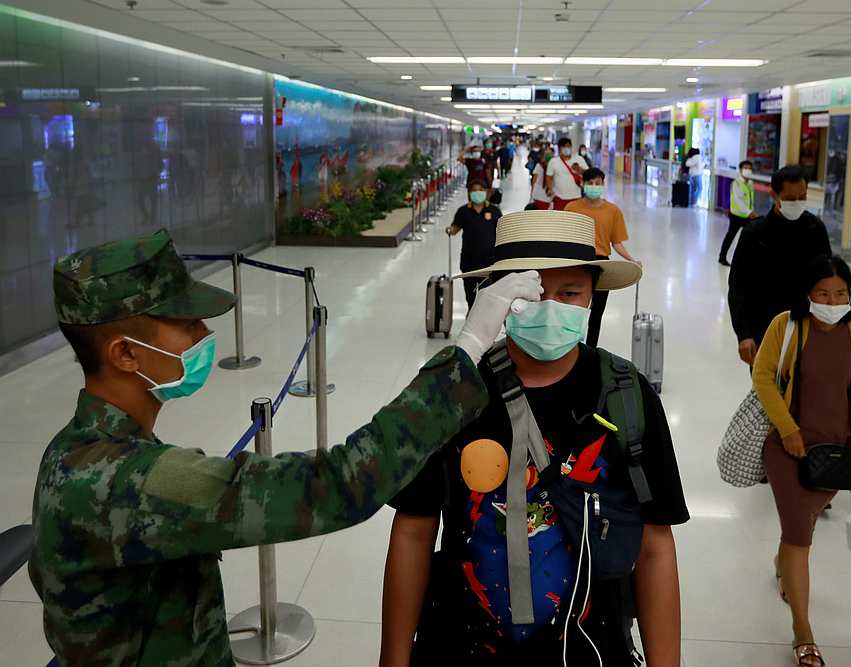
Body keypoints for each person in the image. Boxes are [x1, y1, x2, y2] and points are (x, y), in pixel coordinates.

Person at [30, 229, 543, 666]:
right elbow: (335, 486)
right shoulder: (130, 482)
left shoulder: (76, 447)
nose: (205, 334)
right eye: (186, 325)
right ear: (124, 353)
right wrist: (469, 346)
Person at [380, 211, 688, 667]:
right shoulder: (453, 394)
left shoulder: (626, 396)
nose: (550, 307)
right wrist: (393, 659)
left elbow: (656, 546)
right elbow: (412, 531)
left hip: (589, 647)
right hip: (461, 641)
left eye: (569, 294)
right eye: (531, 292)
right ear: (497, 295)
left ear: (591, 301)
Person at [752, 255, 851, 667]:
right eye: (823, 292)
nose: (832, 299)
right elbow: (763, 376)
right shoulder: (787, 326)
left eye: (840, 293)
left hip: (835, 458)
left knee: (801, 528)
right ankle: (803, 630)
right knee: (799, 536)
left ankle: (782, 565)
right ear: (808, 294)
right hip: (787, 450)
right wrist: (787, 428)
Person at [728, 164, 833, 368]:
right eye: (790, 199)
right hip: (765, 333)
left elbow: (829, 281)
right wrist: (744, 334)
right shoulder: (754, 235)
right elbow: (738, 287)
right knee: (769, 396)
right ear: (774, 195)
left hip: (808, 330)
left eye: (802, 197)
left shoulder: (815, 230)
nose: (797, 203)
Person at [566, 167, 641, 347]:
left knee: (597, 312)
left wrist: (631, 260)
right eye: (590, 183)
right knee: (573, 309)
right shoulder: (571, 208)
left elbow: (616, 243)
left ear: (603, 184)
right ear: (583, 185)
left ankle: (590, 349)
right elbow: (565, 237)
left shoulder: (612, 211)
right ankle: (569, 346)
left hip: (601, 266)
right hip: (577, 263)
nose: (594, 186)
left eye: (597, 183)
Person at [448, 180, 503, 311]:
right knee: (470, 294)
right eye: (474, 190)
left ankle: (483, 318)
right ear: (469, 193)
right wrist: (449, 230)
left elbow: (502, 232)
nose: (477, 193)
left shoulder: (494, 211)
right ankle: (471, 314)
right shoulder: (463, 211)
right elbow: (455, 229)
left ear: (486, 192)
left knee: (487, 294)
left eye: (480, 190)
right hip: (469, 261)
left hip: (489, 261)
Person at [719, 160, 758, 266]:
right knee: (730, 236)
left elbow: (749, 199)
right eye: (745, 168)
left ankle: (747, 260)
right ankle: (722, 257)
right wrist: (749, 212)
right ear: (740, 170)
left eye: (749, 168)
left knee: (750, 237)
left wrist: (751, 211)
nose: (747, 170)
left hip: (747, 216)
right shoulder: (736, 183)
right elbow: (738, 200)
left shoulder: (750, 183)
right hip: (736, 215)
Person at [545, 137, 587, 210]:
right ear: (559, 149)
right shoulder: (553, 161)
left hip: (576, 197)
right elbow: (549, 177)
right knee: (561, 219)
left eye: (568, 146)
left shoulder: (579, 159)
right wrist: (550, 189)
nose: (566, 148)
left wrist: (579, 169)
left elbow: (588, 174)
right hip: (559, 197)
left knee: (575, 219)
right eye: (564, 147)